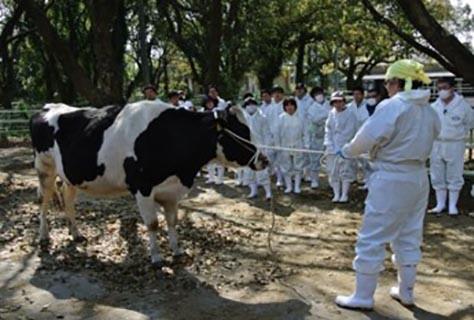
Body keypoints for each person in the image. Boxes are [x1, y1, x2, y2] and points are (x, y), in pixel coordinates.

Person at [335, 59, 440, 310]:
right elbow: (436, 133)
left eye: (390, 82)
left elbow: (368, 137)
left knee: (373, 236)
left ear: (400, 82)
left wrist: (348, 151)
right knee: (409, 234)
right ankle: (407, 292)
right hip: (418, 177)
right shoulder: (430, 110)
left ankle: (362, 296)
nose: (388, 87)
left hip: (392, 177)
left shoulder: (394, 106)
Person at [429, 77, 474, 216]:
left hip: (455, 143)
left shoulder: (463, 106)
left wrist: (458, 134)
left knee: (454, 174)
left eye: (445, 87)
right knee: (437, 174)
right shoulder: (434, 106)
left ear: (452, 88)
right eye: (440, 88)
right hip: (436, 143)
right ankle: (440, 204)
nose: (442, 91)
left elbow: (469, 123)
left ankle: (452, 205)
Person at [324, 91, 358, 202]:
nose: (337, 104)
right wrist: (329, 144)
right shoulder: (331, 113)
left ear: (344, 102)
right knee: (333, 171)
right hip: (332, 148)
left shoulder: (350, 114)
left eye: (339, 101)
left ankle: (344, 194)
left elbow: (350, 131)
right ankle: (336, 194)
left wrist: (342, 147)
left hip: (345, 147)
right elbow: (328, 129)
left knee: (345, 171)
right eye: (335, 102)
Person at [242, 98, 273, 199]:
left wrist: (267, 148)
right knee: (249, 171)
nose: (251, 106)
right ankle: (253, 191)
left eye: (253, 104)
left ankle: (268, 192)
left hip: (260, 148)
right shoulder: (243, 119)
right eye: (248, 104)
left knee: (262, 171)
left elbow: (267, 134)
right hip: (247, 149)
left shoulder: (262, 118)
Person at [276, 98, 308, 194]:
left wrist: (306, 145)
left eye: (291, 105)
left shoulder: (301, 118)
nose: (289, 107)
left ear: (295, 106)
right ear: (284, 107)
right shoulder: (281, 118)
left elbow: (306, 133)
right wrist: (278, 145)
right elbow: (277, 133)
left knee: (298, 166)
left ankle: (297, 186)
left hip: (298, 144)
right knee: (286, 166)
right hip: (285, 145)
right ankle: (289, 186)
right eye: (287, 105)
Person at [306, 87, 331, 188]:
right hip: (316, 137)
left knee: (330, 160)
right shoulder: (311, 108)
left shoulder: (330, 104)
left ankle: (331, 180)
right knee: (314, 160)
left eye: (320, 93)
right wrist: (325, 117)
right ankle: (314, 180)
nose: (319, 96)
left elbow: (332, 117)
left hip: (329, 136)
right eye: (316, 94)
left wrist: (323, 118)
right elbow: (315, 120)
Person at [201, 95, 225, 184]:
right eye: (207, 103)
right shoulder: (202, 112)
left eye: (211, 102)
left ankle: (220, 178)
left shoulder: (217, 111)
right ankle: (211, 177)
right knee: (209, 160)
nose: (209, 104)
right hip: (206, 138)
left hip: (217, 137)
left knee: (219, 159)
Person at [269, 86, 286, 187]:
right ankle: (272, 175)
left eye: (279, 93)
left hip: (283, 136)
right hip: (271, 136)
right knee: (271, 157)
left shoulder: (285, 105)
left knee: (282, 158)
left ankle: (281, 179)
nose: (277, 95)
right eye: (275, 93)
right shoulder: (269, 108)